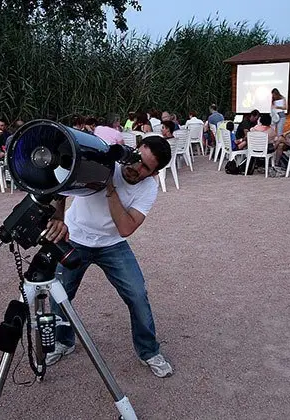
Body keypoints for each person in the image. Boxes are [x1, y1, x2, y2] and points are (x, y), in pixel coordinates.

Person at [44, 135, 174, 378]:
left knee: (137, 295)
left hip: (112, 244)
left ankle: (148, 351)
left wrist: (110, 189)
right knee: (60, 295)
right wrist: (58, 217)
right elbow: (63, 183)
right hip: (76, 237)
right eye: (137, 159)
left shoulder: (148, 188)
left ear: (154, 173)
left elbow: (126, 228)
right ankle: (64, 342)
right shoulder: (108, 161)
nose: (136, 167)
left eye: (146, 167)